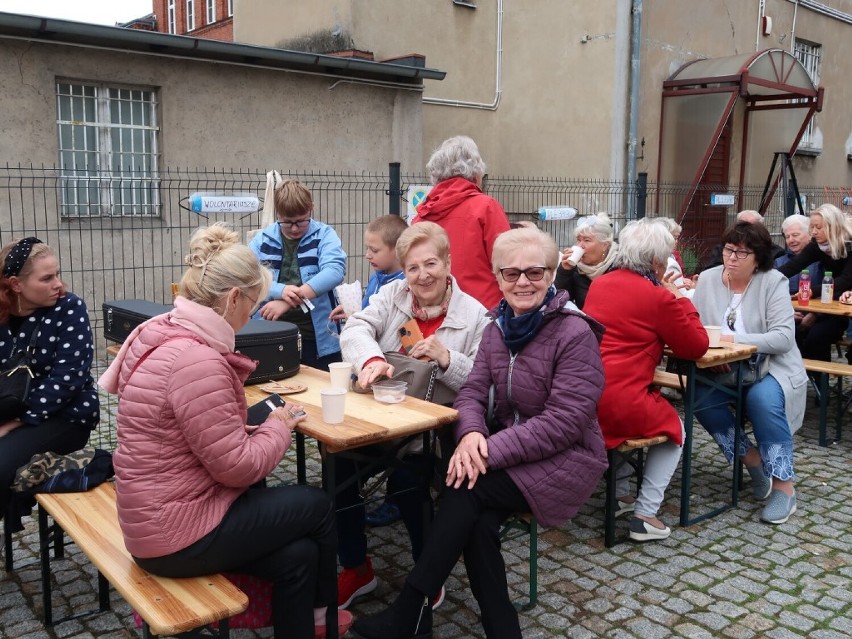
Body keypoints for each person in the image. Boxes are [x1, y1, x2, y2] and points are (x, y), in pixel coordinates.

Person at [350, 226, 607, 639]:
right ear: (498, 277)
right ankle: (496, 630)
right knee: (477, 522)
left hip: (566, 458)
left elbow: (564, 423)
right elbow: (471, 392)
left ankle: (410, 609)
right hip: (507, 451)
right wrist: (471, 435)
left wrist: (485, 449)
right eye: (511, 273)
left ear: (552, 274)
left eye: (534, 272)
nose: (522, 282)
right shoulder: (497, 327)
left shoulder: (573, 333)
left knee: (465, 487)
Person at [100, 224, 348, 639]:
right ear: (233, 298)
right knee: (316, 505)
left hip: (154, 518)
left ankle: (310, 624)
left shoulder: (161, 331)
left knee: (299, 555)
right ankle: (325, 616)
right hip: (176, 533)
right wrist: (278, 424)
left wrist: (249, 422)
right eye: (253, 302)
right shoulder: (197, 359)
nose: (252, 314)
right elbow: (238, 468)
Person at [335, 221, 489, 610]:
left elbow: (486, 383)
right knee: (337, 470)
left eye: (431, 263)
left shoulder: (475, 315)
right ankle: (356, 569)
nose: (422, 276)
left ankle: (428, 576)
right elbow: (355, 327)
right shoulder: (393, 293)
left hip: (435, 434)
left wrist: (447, 358)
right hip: (381, 422)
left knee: (408, 478)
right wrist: (370, 358)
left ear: (449, 261)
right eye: (413, 267)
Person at [584, 219, 708, 541]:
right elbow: (696, 346)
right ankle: (645, 513)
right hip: (623, 399)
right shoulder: (659, 297)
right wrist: (680, 297)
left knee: (629, 418)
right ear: (656, 261)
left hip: (588, 394)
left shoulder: (601, 283)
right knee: (676, 429)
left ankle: (622, 494)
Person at [692, 221, 806, 525]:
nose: (732, 258)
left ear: (758, 257)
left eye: (743, 253)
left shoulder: (774, 282)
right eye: (730, 249)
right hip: (725, 367)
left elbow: (783, 338)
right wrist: (713, 353)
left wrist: (730, 341)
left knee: (762, 401)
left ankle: (784, 486)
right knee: (699, 397)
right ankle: (752, 459)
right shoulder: (707, 279)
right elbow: (697, 327)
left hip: (772, 366)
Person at [0, 238, 99, 531]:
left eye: (57, 274)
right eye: (47, 278)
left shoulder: (69, 308)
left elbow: (66, 383)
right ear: (16, 284)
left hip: (66, 417)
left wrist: (11, 423)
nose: (59, 284)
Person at [329, 214, 409, 529]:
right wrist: (352, 315)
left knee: (400, 446)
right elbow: (368, 319)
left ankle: (395, 499)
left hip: (394, 380)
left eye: (374, 250)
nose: (368, 255)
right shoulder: (378, 277)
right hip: (367, 372)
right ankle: (347, 495)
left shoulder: (400, 285)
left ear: (396, 251)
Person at [249, 179, 346, 369]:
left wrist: (287, 301)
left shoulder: (324, 234)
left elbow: (334, 271)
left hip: (317, 338)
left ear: (311, 209)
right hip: (269, 335)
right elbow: (248, 277)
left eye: (301, 221)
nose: (294, 228)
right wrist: (279, 290)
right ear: (278, 213)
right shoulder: (261, 240)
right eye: (287, 222)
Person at [414, 135, 510, 309]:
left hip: (436, 313)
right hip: (484, 311)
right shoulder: (486, 207)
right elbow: (509, 264)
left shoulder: (421, 216)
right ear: (475, 172)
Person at [776, 203, 852, 362]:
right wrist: (764, 277)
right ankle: (804, 378)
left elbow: (846, 279)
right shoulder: (817, 246)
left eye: (819, 227)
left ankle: (820, 384)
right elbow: (792, 267)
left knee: (817, 336)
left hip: (844, 296)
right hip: (835, 299)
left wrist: (813, 291)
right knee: (797, 332)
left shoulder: (849, 245)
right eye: (812, 227)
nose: (814, 232)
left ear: (833, 227)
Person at [774, 214, 823, 351]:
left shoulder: (823, 260)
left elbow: (830, 289)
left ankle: (817, 373)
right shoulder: (779, 262)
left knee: (817, 336)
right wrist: (788, 313)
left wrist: (815, 314)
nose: (791, 240)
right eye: (788, 237)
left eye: (795, 235)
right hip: (789, 314)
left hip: (821, 314)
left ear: (809, 234)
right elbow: (774, 293)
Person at [553, 212, 618, 309]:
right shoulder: (576, 270)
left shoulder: (619, 267)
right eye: (578, 240)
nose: (580, 245)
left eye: (587, 240)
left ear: (604, 245)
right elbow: (559, 302)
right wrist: (564, 271)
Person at [698, 210, 785, 273]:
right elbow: (712, 269)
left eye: (750, 227)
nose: (733, 257)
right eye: (742, 226)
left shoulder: (776, 252)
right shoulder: (722, 248)